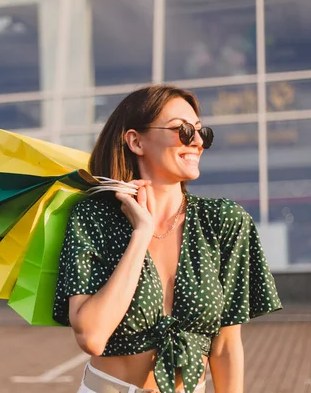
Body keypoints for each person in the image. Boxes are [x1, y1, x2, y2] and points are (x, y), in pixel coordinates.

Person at [53, 85, 282, 393]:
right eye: (183, 131)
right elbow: (92, 337)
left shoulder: (223, 221)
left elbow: (227, 347)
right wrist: (141, 233)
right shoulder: (94, 217)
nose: (198, 142)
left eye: (202, 133)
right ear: (136, 141)